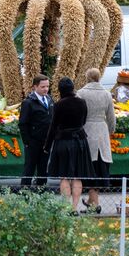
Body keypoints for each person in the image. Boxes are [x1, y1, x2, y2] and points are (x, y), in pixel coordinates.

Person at [44, 77, 95, 215]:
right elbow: (83, 121)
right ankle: (74, 208)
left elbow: (53, 127)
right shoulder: (82, 102)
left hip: (63, 142)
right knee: (77, 177)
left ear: (60, 90)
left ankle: (66, 208)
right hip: (80, 141)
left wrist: (47, 146)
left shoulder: (59, 105)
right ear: (73, 88)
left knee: (64, 177)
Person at [76, 68, 115, 214]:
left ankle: (93, 203)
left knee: (90, 167)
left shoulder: (81, 93)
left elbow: (78, 113)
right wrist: (110, 131)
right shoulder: (106, 94)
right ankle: (93, 203)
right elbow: (111, 117)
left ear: (87, 77)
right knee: (100, 166)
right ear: (99, 78)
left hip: (87, 130)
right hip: (102, 130)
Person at [18, 75, 54, 187]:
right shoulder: (28, 102)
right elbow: (23, 124)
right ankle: (24, 193)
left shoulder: (49, 99)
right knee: (29, 168)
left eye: (47, 86)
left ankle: (42, 192)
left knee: (43, 169)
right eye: (43, 87)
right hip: (33, 142)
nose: (46, 89)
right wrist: (27, 142)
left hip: (46, 141)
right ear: (35, 87)